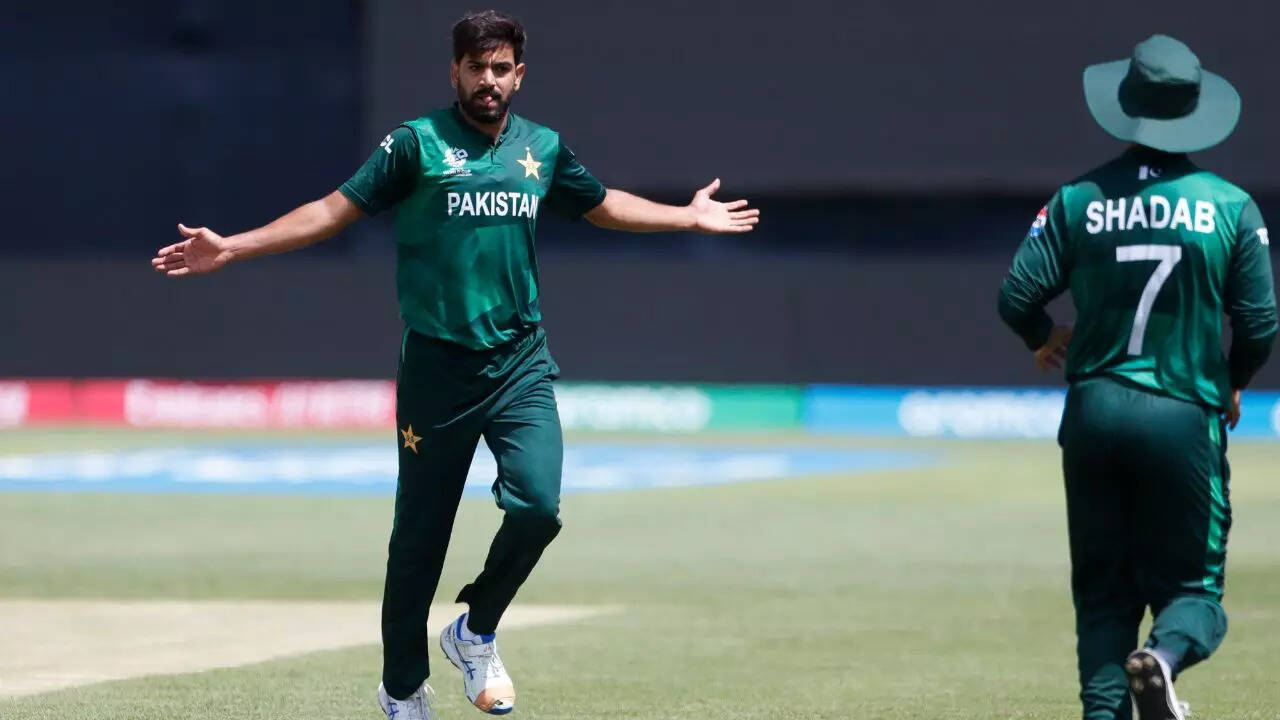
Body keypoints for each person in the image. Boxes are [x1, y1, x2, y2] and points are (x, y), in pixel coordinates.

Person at [151, 10, 759, 719]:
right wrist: (234, 246)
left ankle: (476, 630)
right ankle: (403, 689)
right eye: (476, 68)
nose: (488, 81)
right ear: (455, 72)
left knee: (538, 508)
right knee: (420, 539)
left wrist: (685, 215)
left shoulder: (541, 148)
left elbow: (601, 205)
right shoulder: (416, 144)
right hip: (437, 371)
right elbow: (332, 210)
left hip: (519, 363)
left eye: (500, 69)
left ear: (518, 75)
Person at [997, 34, 1276, 720]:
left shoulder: (1078, 199)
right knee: (1195, 594)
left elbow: (1016, 296)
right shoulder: (1231, 206)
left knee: (1103, 595)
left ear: (1126, 105)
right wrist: (1236, 377)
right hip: (1182, 413)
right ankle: (1165, 658)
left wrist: (1043, 338)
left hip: (1093, 409)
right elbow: (1260, 322)